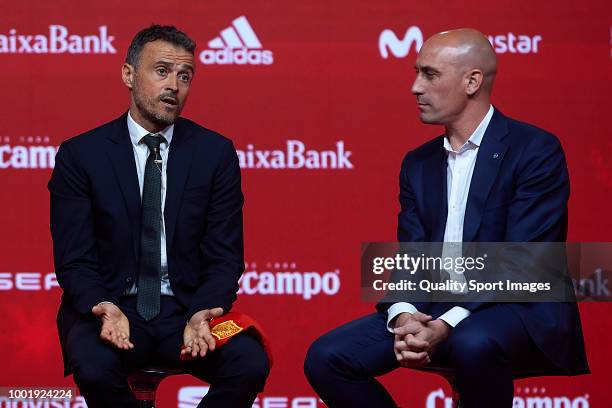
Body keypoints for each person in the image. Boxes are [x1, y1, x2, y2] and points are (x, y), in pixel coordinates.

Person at [304, 28, 589, 407]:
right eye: (417, 73)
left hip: (519, 307)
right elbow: (412, 255)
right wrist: (405, 316)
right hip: (435, 309)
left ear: (472, 81)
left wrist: (446, 323)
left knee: (472, 342)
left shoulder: (535, 150)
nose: (415, 87)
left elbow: (522, 261)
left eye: (430, 74)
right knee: (328, 358)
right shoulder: (418, 163)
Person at [49, 25, 269, 408]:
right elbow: (75, 260)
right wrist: (103, 306)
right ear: (129, 75)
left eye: (185, 76)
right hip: (110, 307)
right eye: (162, 71)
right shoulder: (81, 155)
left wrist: (204, 310)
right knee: (94, 366)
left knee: (249, 360)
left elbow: (224, 257)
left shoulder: (214, 154)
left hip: (186, 309)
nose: (175, 86)